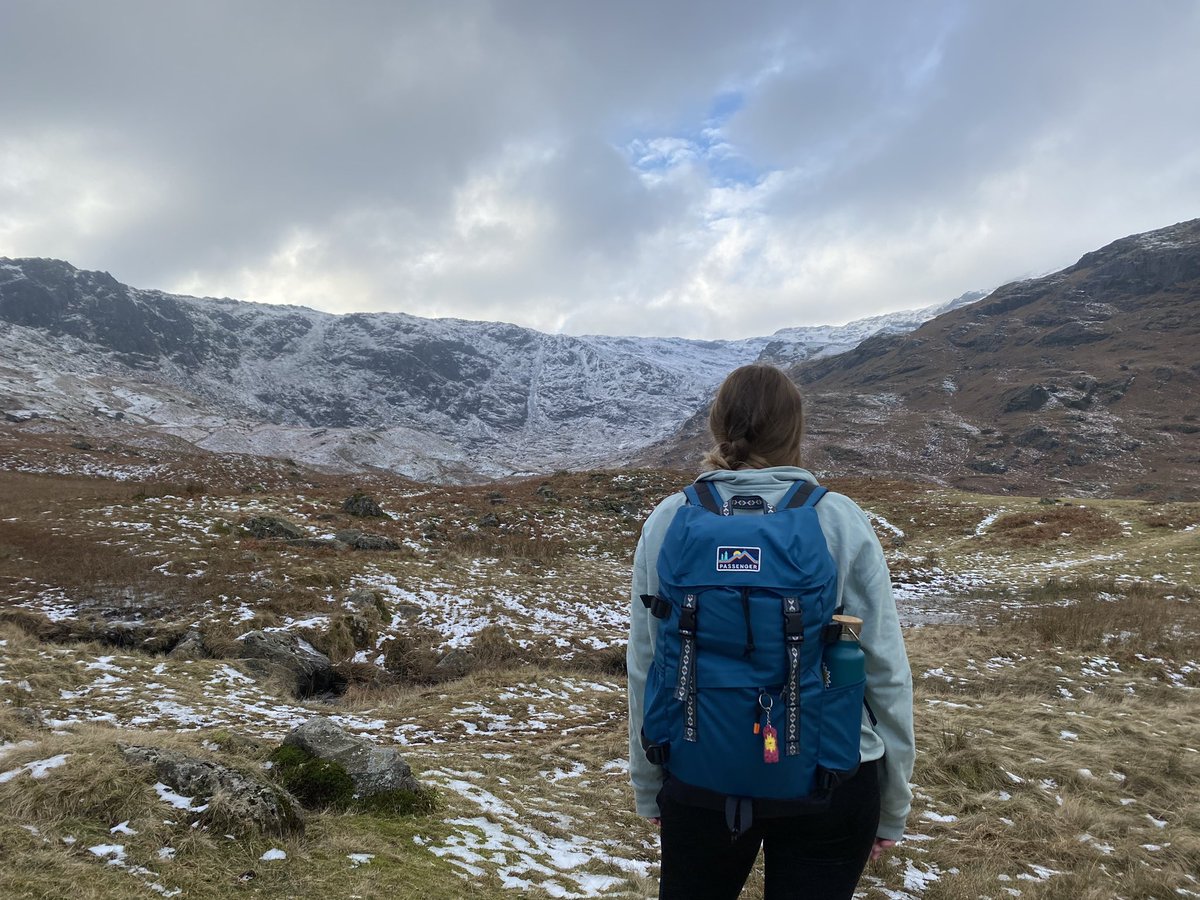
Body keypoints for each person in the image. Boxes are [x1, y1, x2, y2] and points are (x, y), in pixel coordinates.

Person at [627, 364, 915, 899]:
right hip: (832, 776)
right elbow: (884, 669)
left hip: (696, 771)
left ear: (716, 424)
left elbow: (645, 664)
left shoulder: (669, 519)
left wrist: (650, 788)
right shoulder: (838, 520)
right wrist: (892, 802)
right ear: (794, 430)